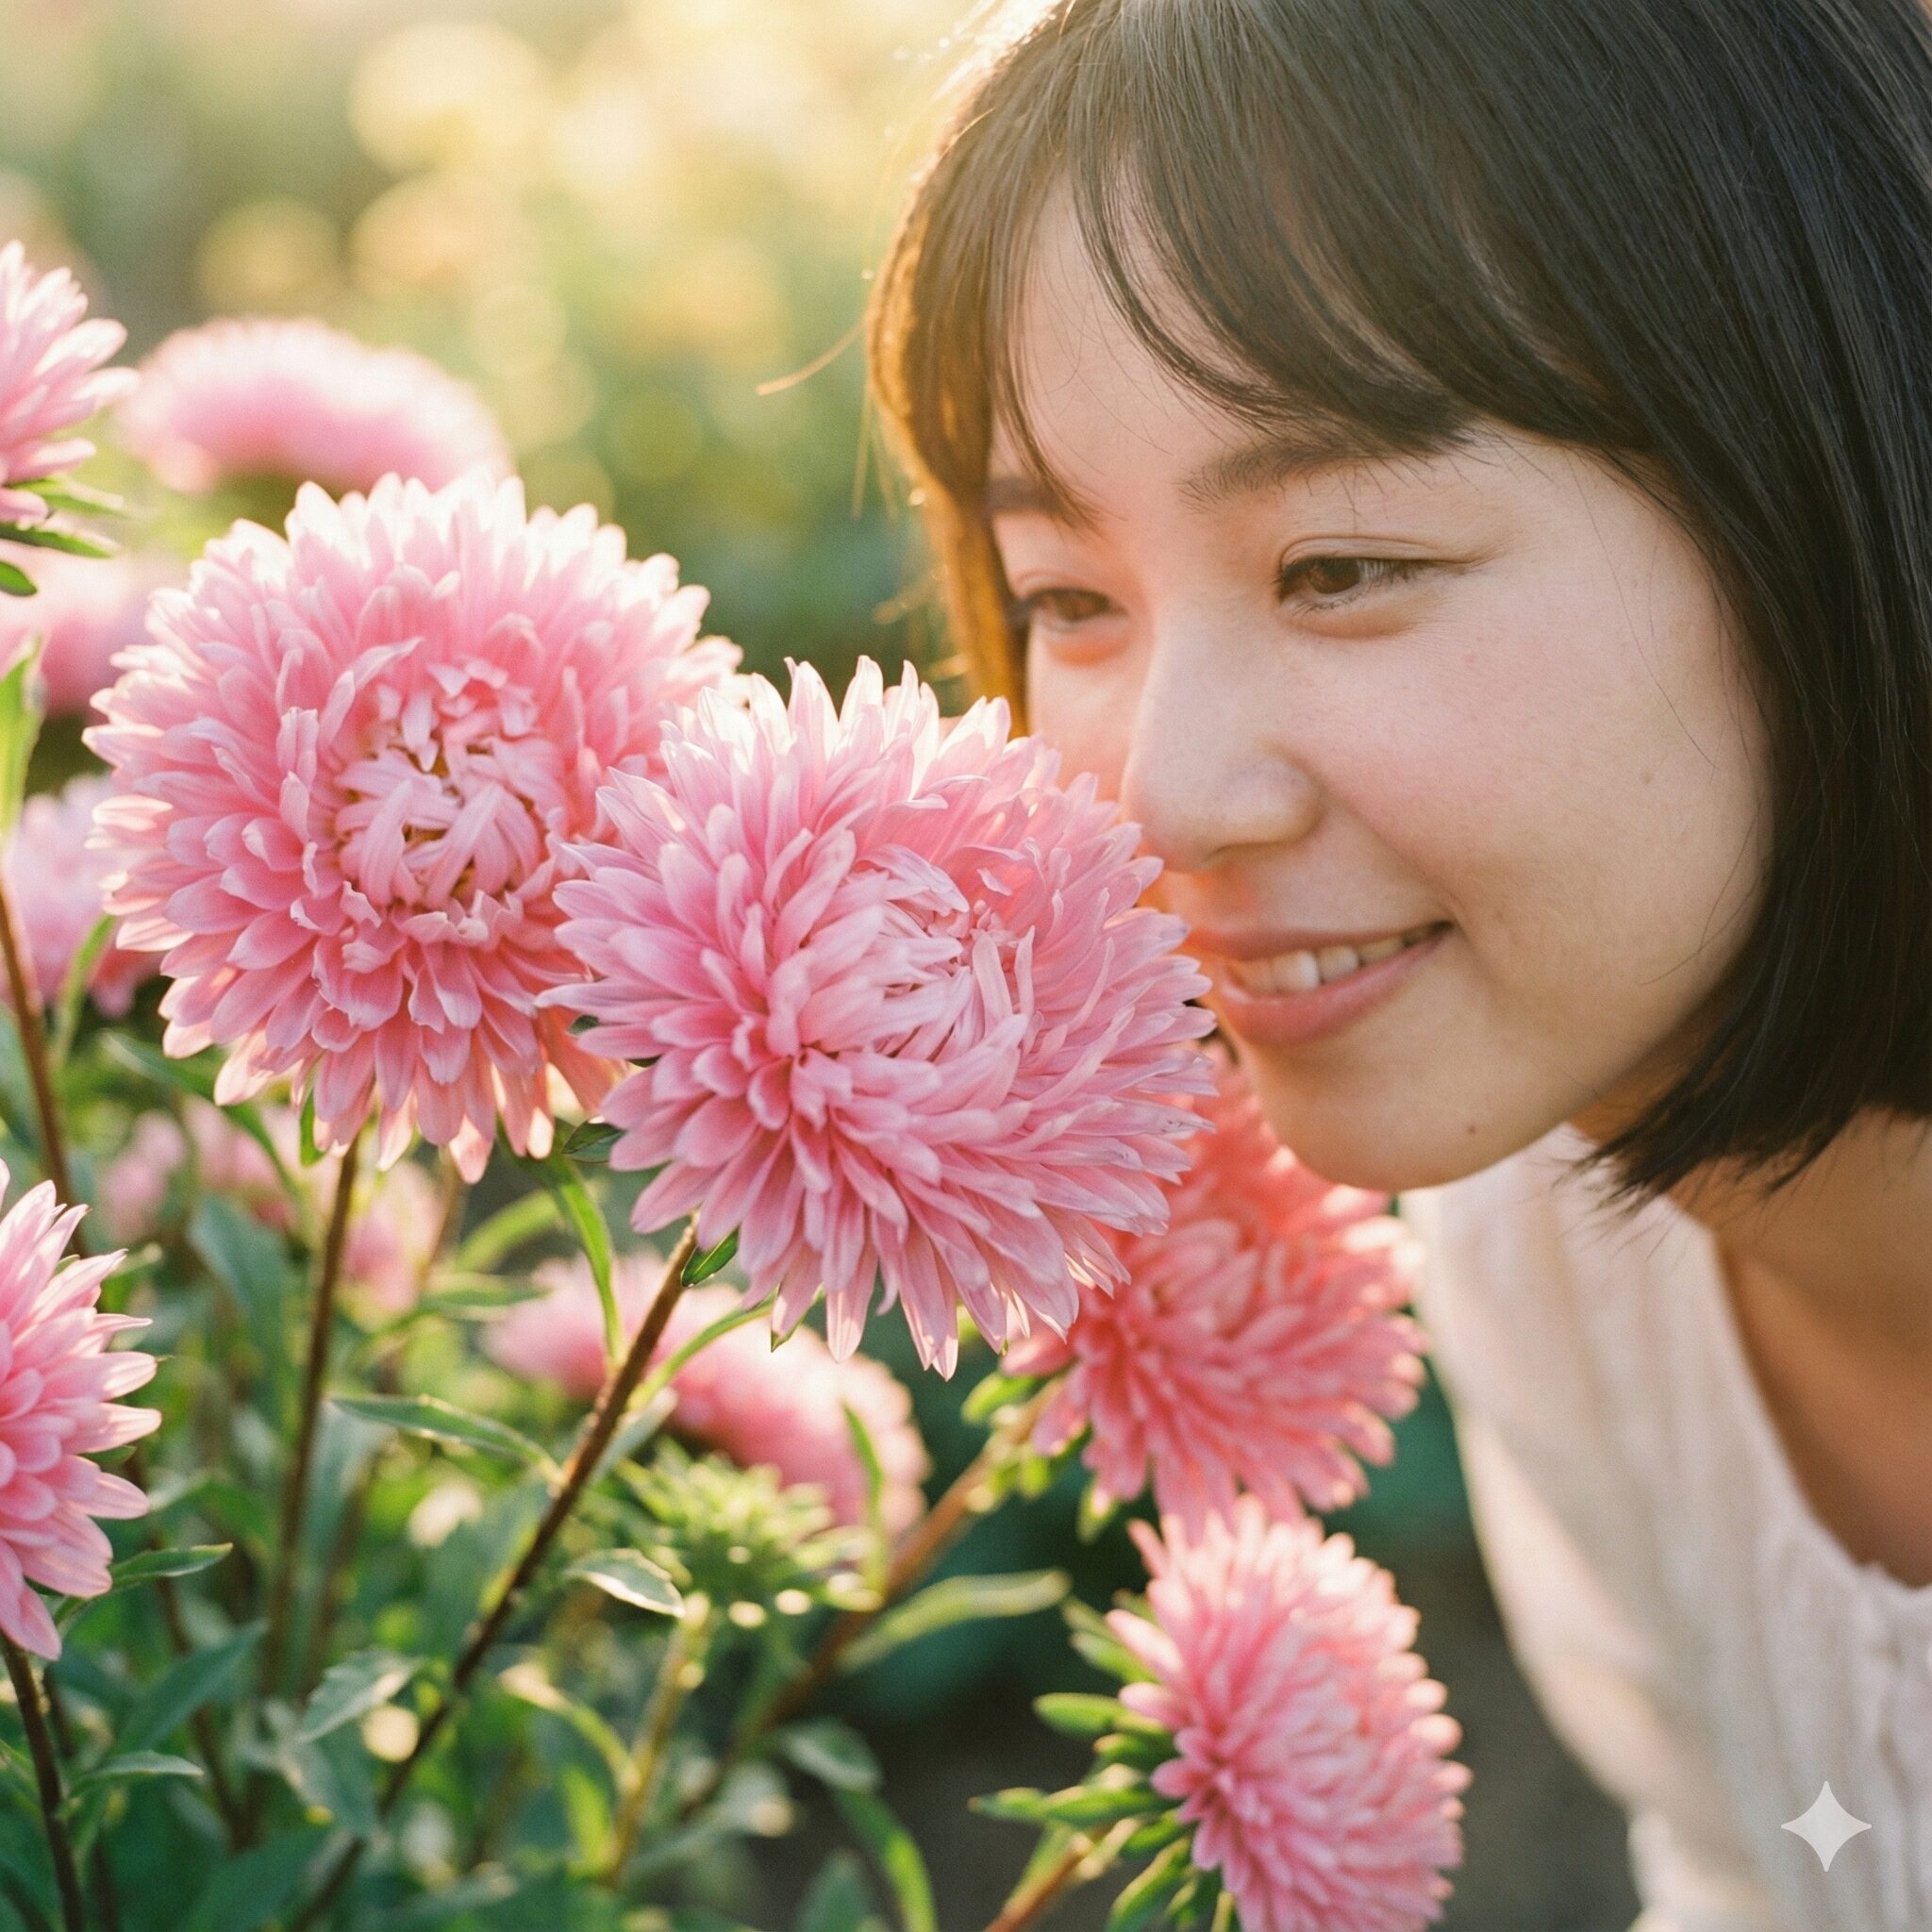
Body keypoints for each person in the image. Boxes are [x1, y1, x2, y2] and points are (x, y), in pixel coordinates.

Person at [864, 2, 1932, 1926]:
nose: (1166, 795)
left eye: (1339, 567)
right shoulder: (1548, 1235)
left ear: (1827, 488)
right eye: (1068, 600)